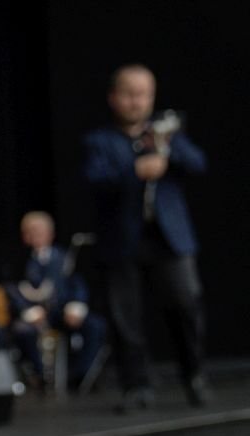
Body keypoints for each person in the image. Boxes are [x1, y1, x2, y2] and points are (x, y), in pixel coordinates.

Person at [83, 64, 208, 411]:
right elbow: (93, 179)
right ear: (114, 97)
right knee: (125, 316)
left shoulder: (167, 133)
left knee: (186, 303)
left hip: (169, 238)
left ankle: (194, 374)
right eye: (129, 94)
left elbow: (198, 164)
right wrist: (134, 171)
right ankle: (136, 384)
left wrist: (167, 151)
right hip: (123, 239)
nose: (136, 101)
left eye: (143, 94)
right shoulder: (100, 141)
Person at [3, 212, 106, 390]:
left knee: (95, 325)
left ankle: (75, 375)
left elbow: (77, 283)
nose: (35, 236)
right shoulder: (18, 260)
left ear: (50, 233)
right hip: (35, 315)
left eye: (39, 231)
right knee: (22, 331)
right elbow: (12, 289)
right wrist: (29, 311)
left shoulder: (65, 258)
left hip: (61, 311)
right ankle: (43, 376)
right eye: (30, 232)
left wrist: (74, 307)